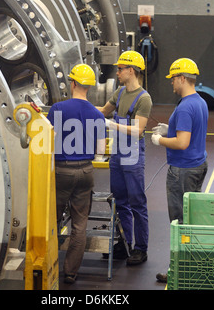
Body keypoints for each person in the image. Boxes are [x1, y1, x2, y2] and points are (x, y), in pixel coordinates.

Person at [47, 64, 106, 284]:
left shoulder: (57, 109)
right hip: (86, 172)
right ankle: (70, 272)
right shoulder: (97, 115)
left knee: (51, 221)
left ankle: (49, 265)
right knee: (80, 225)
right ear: (89, 87)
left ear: (72, 83)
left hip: (62, 171)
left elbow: (48, 144)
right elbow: (100, 151)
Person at [151, 58, 208, 282]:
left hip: (182, 171)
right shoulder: (200, 101)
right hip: (198, 165)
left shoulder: (185, 106)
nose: (172, 83)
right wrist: (170, 128)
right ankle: (192, 264)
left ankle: (178, 271)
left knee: (179, 222)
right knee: (191, 219)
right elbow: (191, 131)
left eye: (174, 79)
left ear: (183, 78)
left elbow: (182, 143)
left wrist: (159, 140)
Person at [98, 51, 153, 265]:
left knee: (137, 202)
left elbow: (138, 130)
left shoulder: (144, 99)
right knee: (119, 201)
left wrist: (112, 124)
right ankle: (124, 243)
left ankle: (141, 248)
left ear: (132, 71)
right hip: (118, 155)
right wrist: (80, 109)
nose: (118, 72)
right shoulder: (119, 93)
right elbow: (103, 111)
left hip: (132, 156)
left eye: (121, 69)